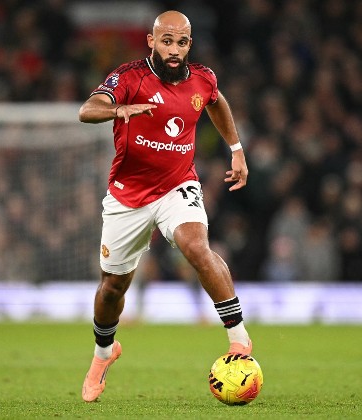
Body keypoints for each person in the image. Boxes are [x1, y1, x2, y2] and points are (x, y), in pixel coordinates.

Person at [78, 10, 252, 402]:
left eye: (182, 42)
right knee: (112, 287)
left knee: (196, 247)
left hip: (178, 186)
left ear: (190, 44)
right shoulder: (129, 78)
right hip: (128, 195)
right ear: (152, 41)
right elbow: (87, 109)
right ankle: (103, 353)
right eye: (167, 41)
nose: (174, 50)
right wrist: (118, 109)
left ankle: (239, 339)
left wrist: (236, 149)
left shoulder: (203, 78)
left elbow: (216, 102)